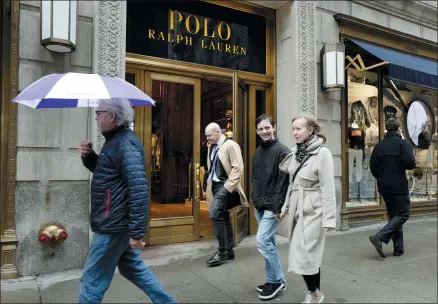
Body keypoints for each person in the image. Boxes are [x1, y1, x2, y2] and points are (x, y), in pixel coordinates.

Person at [78, 98, 176, 304]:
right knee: (134, 270)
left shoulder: (125, 143)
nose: (96, 118)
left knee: (92, 279)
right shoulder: (115, 140)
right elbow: (109, 175)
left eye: (99, 113)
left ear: (112, 116)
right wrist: (90, 157)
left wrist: (136, 233)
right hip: (115, 223)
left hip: (112, 226)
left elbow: (138, 190)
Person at [279, 113, 336, 304]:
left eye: (298, 128)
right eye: (293, 128)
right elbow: (292, 183)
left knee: (305, 253)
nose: (294, 132)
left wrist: (329, 219)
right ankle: (315, 292)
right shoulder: (296, 152)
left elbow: (328, 188)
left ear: (310, 129)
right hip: (298, 208)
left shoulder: (323, 153)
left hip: (315, 211)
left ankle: (314, 293)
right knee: (305, 254)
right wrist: (286, 206)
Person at [251, 114, 290, 300]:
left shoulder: (283, 151)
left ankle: (277, 282)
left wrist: (277, 209)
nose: (265, 131)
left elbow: (283, 183)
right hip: (259, 205)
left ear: (273, 127)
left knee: (262, 241)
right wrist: (254, 199)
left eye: (267, 127)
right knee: (270, 243)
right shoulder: (257, 153)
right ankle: (273, 279)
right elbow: (255, 179)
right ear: (256, 131)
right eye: (261, 129)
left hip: (272, 207)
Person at [369, 117, 416, 258]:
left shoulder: (379, 146)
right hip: (398, 185)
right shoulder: (403, 143)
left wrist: (381, 178)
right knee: (403, 214)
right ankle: (380, 236)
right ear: (398, 129)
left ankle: (398, 248)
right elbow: (410, 164)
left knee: (394, 216)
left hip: (384, 185)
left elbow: (372, 166)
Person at [204, 122, 249, 267]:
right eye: (206, 136)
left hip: (225, 186)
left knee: (214, 214)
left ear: (218, 132)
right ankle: (229, 251)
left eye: (209, 135)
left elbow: (238, 167)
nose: (207, 138)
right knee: (222, 216)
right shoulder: (211, 146)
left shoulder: (231, 145)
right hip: (215, 187)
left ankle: (222, 251)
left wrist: (228, 187)